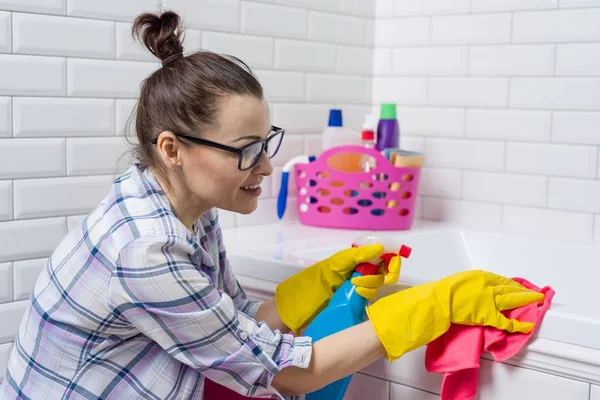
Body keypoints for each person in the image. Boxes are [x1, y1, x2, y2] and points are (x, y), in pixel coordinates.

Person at [0, 10, 544, 400]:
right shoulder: (144, 249)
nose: (266, 167)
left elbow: (234, 323)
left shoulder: (185, 204)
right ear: (173, 150)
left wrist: (314, 286)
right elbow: (284, 373)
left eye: (266, 144)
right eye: (245, 152)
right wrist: (429, 306)